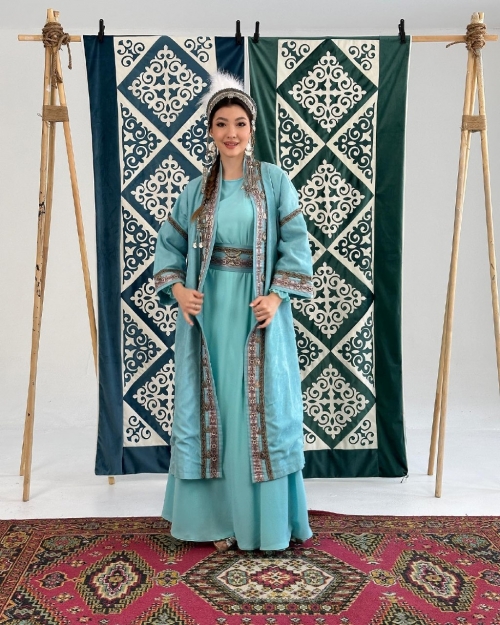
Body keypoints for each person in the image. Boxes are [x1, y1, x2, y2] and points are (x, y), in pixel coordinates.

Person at [154, 72, 314, 552]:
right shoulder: (194, 192)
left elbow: (296, 245)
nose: (231, 133)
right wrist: (179, 291)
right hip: (208, 318)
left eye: (239, 123)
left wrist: (277, 296)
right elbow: (169, 249)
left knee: (256, 412)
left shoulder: (275, 182)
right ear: (210, 130)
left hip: (257, 315)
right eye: (221, 123)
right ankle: (212, 520)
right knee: (214, 410)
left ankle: (262, 523)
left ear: (252, 129)